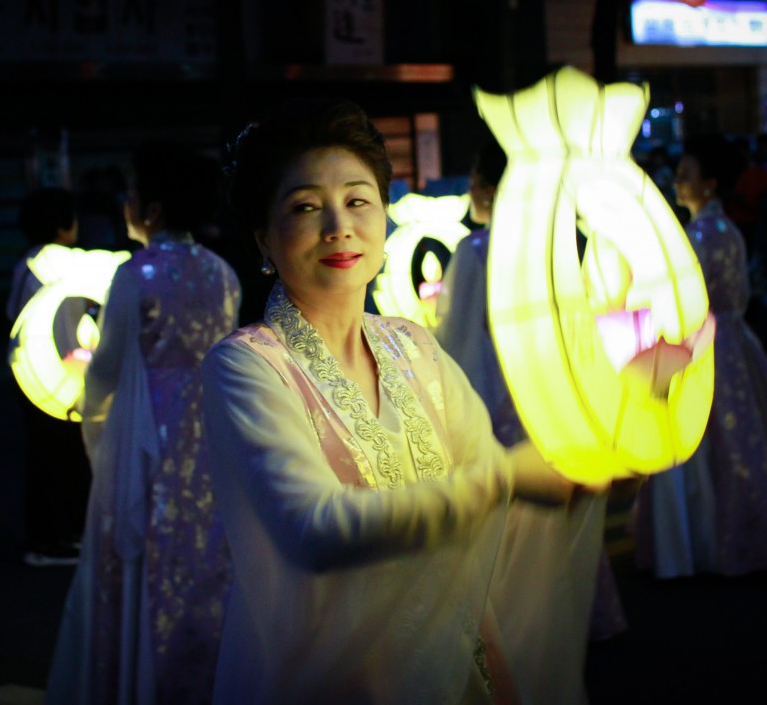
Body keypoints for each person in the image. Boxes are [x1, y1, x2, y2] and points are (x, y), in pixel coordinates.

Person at [200, 98, 606, 705]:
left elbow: (494, 480)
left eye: (358, 200)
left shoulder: (412, 344)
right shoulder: (247, 366)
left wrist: (592, 461)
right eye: (306, 207)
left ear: (385, 218)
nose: (339, 226)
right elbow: (312, 530)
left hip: (454, 653)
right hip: (331, 675)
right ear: (264, 236)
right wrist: (504, 478)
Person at [46, 142, 241, 705]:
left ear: (152, 209)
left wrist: (93, 426)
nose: (125, 204)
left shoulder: (137, 273)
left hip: (146, 435)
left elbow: (105, 372)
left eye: (131, 195)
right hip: (212, 436)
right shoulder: (224, 272)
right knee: (206, 562)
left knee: (138, 564)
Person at [434, 137, 629, 659]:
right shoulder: (557, 244)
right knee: (559, 506)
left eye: (477, 180)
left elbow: (457, 338)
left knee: (506, 516)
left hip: (496, 391)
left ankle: (515, 625)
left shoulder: (475, 250)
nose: (472, 190)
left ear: (494, 188)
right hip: (551, 388)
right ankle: (580, 614)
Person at [632, 132, 767, 578]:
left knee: (697, 447)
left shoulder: (695, 235)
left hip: (702, 346)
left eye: (685, 175)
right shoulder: (728, 229)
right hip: (737, 342)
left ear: (708, 183)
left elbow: (682, 300)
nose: (677, 182)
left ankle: (698, 545)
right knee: (740, 444)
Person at [6, 187, 93, 567]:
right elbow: (67, 327)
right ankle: (52, 539)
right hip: (60, 378)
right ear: (62, 226)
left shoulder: (26, 263)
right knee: (61, 457)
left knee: (49, 457)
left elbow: (13, 313)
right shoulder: (60, 265)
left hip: (30, 375)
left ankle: (59, 535)